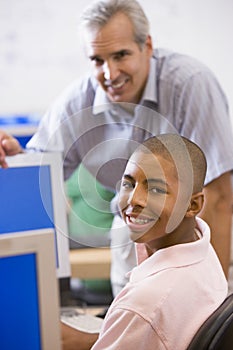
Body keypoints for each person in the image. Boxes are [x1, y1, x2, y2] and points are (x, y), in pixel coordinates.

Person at [0, 0, 233, 296]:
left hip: (194, 234)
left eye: (121, 55)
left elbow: (219, 198)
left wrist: (212, 301)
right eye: (97, 60)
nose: (110, 74)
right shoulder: (76, 103)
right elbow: (38, 176)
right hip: (130, 229)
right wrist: (12, 157)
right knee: (134, 324)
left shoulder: (189, 84)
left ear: (147, 46)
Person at [61, 133, 228, 350]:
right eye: (128, 184)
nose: (134, 200)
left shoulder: (144, 304)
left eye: (157, 189)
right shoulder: (202, 247)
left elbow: (147, 314)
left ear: (193, 205)